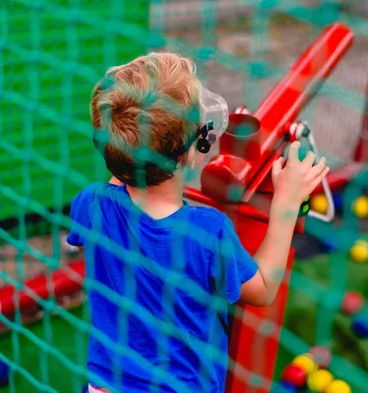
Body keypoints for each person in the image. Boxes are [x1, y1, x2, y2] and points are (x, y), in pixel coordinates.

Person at [66, 52, 329, 393]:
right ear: (191, 152)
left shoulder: (92, 204)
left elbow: (121, 177)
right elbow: (262, 289)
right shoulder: (208, 231)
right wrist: (287, 203)